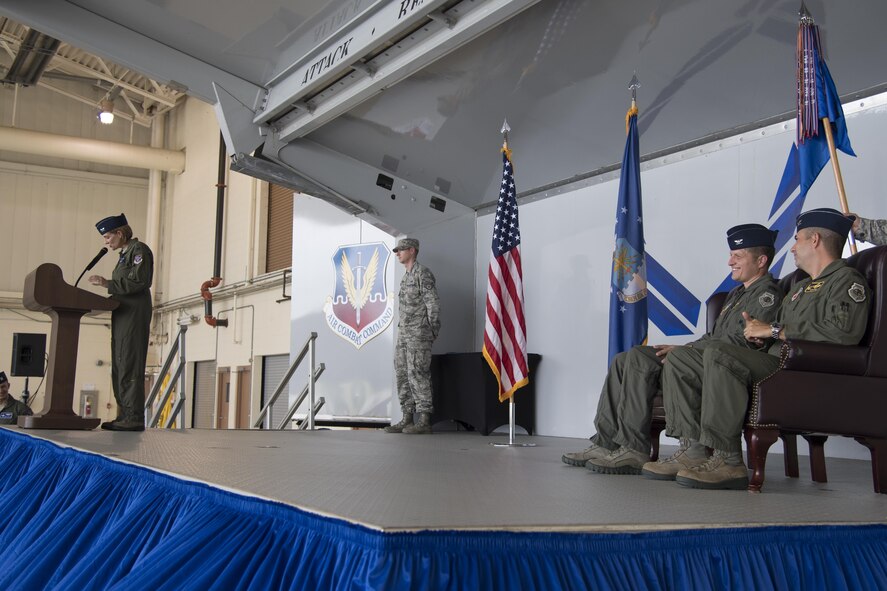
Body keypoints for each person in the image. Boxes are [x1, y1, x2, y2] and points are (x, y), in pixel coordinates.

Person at [656, 208, 870, 489]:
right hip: (777, 359)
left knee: (720, 354)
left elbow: (843, 334)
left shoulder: (847, 281)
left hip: (800, 369)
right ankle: (692, 450)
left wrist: (773, 331)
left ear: (815, 239)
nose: (792, 247)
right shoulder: (800, 288)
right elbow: (779, 331)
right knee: (683, 359)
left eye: (797, 240)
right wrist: (761, 336)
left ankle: (728, 461)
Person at [567, 224, 783, 475]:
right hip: (705, 355)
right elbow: (714, 337)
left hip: (725, 366)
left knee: (674, 356)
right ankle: (613, 444)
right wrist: (688, 348)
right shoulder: (735, 294)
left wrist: (687, 351)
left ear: (761, 261)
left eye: (738, 256)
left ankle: (676, 450)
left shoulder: (766, 293)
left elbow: (741, 343)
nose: (730, 261)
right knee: (630, 357)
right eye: (731, 255)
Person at [88, 213, 153, 432]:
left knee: (129, 365)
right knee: (119, 366)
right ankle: (124, 414)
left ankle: (133, 417)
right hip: (122, 315)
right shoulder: (124, 255)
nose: (106, 242)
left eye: (107, 236)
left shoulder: (139, 251)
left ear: (120, 233)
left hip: (133, 316)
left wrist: (107, 283)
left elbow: (139, 281)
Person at [385, 238, 441, 435]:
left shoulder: (422, 274)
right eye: (397, 250)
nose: (398, 253)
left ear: (412, 250)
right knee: (401, 372)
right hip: (405, 334)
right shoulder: (405, 277)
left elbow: (432, 304)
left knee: (418, 372)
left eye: (401, 250)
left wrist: (431, 330)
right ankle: (407, 417)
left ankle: (424, 419)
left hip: (419, 333)